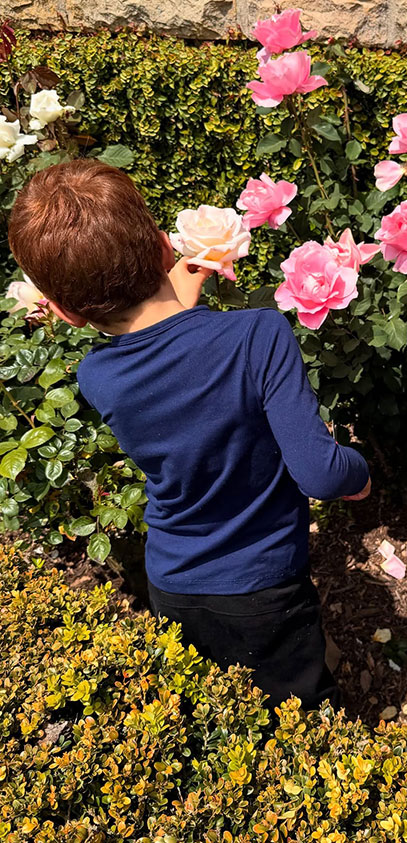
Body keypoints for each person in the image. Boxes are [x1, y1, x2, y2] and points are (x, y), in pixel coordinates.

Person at [8, 159, 371, 710]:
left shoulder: (96, 376)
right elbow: (319, 472)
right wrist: (359, 473)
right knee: (302, 709)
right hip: (263, 583)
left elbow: (171, 367)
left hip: (174, 581)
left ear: (63, 312)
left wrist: (176, 307)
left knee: (221, 706)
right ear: (163, 246)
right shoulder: (259, 335)